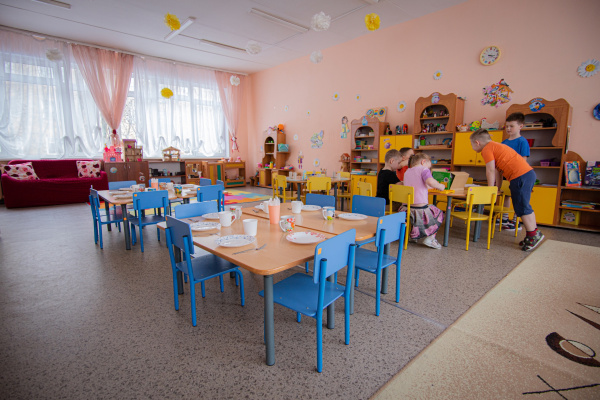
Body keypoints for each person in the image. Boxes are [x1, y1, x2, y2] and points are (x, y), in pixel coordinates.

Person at [470, 129, 543, 251]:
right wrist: (496, 188)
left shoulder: (487, 149)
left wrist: (490, 190)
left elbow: (490, 170)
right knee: (522, 206)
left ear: (477, 142)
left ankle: (533, 235)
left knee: (522, 207)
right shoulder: (495, 146)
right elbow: (498, 171)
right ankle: (533, 232)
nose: (472, 147)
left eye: (472, 144)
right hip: (525, 175)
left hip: (520, 176)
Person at [403, 153, 446, 249]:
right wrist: (440, 186)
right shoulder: (424, 169)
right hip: (420, 209)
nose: (428, 169)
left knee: (428, 208)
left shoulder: (407, 171)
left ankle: (413, 236)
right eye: (429, 166)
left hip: (406, 208)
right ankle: (430, 238)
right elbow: (430, 181)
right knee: (438, 213)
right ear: (423, 162)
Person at [500, 112, 530, 230]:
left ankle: (516, 221)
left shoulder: (522, 142)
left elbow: (523, 160)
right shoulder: (504, 143)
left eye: (511, 126)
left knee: (517, 197)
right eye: (507, 126)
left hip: (517, 174)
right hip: (506, 174)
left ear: (520, 126)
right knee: (506, 195)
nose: (508, 128)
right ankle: (504, 218)